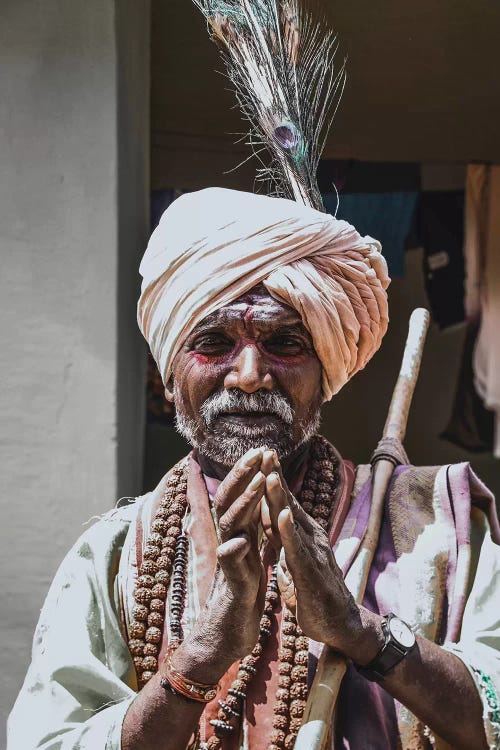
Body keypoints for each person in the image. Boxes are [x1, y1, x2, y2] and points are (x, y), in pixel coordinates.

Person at [7, 188, 500, 750]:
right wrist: (204, 655)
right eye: (214, 343)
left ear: (326, 373)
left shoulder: (436, 527)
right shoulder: (115, 556)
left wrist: (361, 633)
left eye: (284, 342)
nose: (248, 374)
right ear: (168, 377)